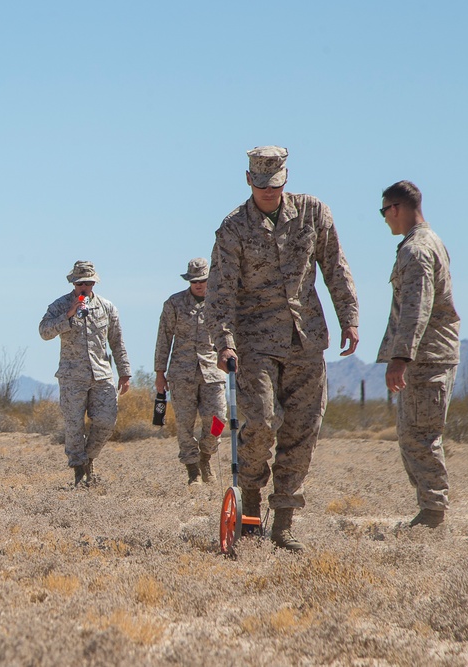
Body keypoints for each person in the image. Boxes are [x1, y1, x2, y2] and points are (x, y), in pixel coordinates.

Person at [205, 146, 360, 551]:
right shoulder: (233, 229)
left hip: (305, 340)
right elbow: (219, 293)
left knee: (302, 432)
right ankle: (251, 511)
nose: (268, 191)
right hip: (254, 344)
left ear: (286, 179)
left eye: (274, 184)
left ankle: (284, 523)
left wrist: (350, 317)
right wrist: (224, 344)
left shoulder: (313, 213)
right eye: (260, 184)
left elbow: (335, 266)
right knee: (257, 425)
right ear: (248, 180)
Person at [377, 180, 460, 529]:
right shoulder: (425, 242)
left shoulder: (417, 250)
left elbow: (416, 308)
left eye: (384, 212)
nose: (384, 220)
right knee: (413, 434)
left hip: (426, 359)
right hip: (428, 357)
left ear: (396, 208)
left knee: (420, 437)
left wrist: (401, 358)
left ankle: (432, 515)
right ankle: (429, 510)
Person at [39, 261, 132, 486]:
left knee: (106, 421)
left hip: (102, 375)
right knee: (74, 425)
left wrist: (125, 372)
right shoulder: (60, 305)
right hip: (72, 377)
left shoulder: (107, 307)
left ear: (94, 283)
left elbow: (117, 342)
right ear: (73, 283)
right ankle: (79, 471)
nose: (84, 287)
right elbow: (44, 332)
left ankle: (88, 458)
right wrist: (69, 315)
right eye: (80, 283)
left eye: (88, 283)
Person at [154, 257, 228, 485]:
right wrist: (159, 372)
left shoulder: (220, 303)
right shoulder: (174, 304)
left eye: (203, 280)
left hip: (213, 371)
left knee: (218, 420)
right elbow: (163, 338)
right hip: (181, 373)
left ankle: (206, 456)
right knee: (185, 424)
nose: (198, 284)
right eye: (194, 280)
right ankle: (193, 470)